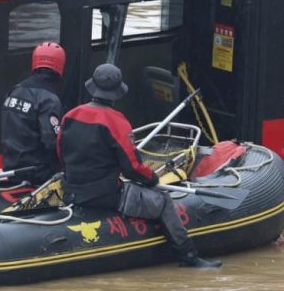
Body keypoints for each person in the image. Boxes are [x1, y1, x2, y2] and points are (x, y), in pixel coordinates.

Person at [57, 63, 221, 268]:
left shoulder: (69, 116)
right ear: (116, 93)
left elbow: (60, 154)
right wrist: (151, 179)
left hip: (72, 191)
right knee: (163, 201)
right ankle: (188, 255)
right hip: (106, 195)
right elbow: (132, 168)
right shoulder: (117, 122)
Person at [1, 42, 66, 187]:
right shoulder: (49, 100)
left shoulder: (15, 90)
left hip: (10, 167)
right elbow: (52, 142)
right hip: (38, 175)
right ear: (60, 66)